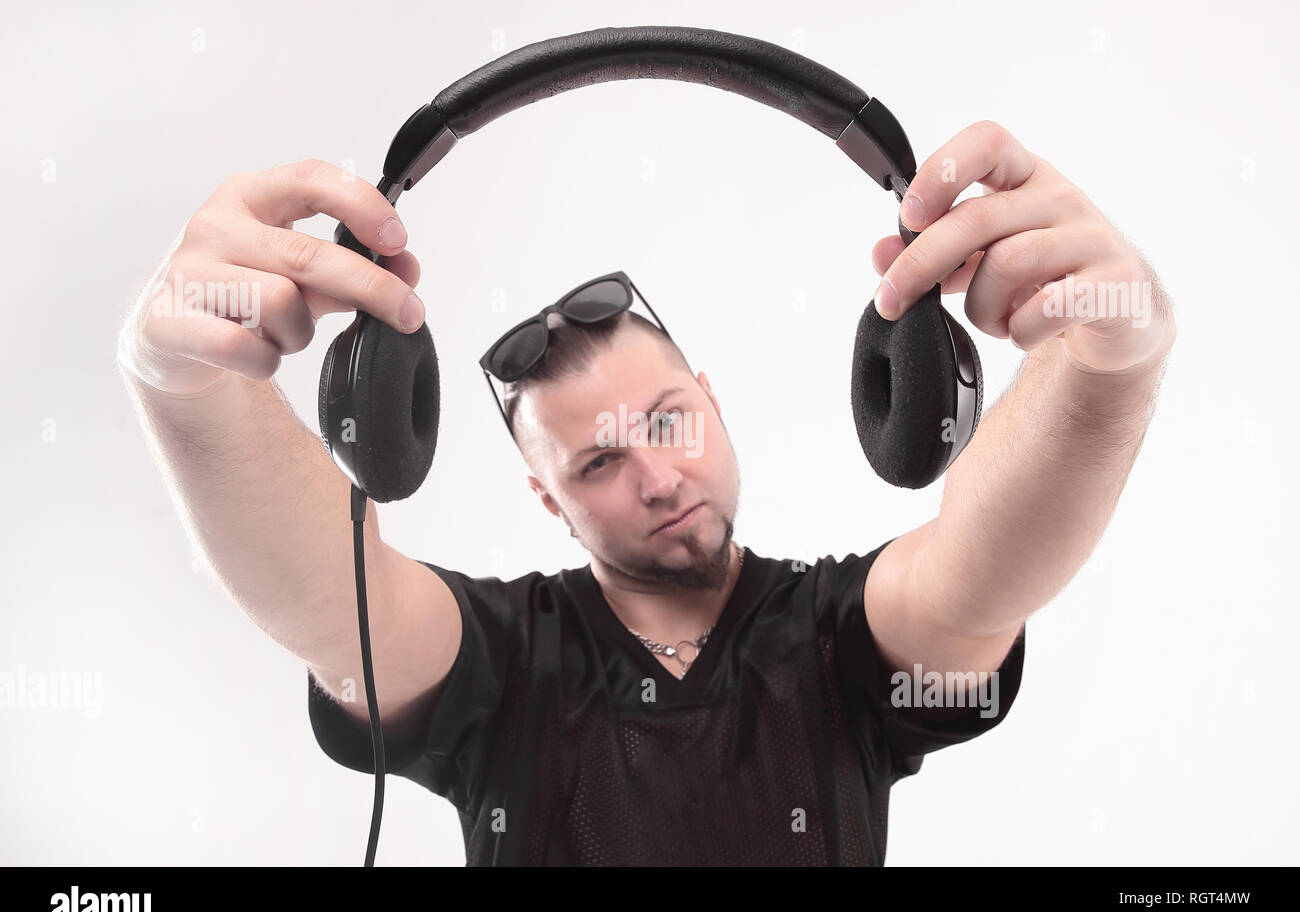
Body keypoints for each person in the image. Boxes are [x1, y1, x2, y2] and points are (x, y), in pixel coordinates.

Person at [117, 120, 1175, 865]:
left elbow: (979, 576)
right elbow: (327, 602)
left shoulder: (836, 638)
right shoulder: (497, 661)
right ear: (549, 501)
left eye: (667, 419)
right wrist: (188, 390)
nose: (658, 474)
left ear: (711, 400)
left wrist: (1107, 365)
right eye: (597, 460)